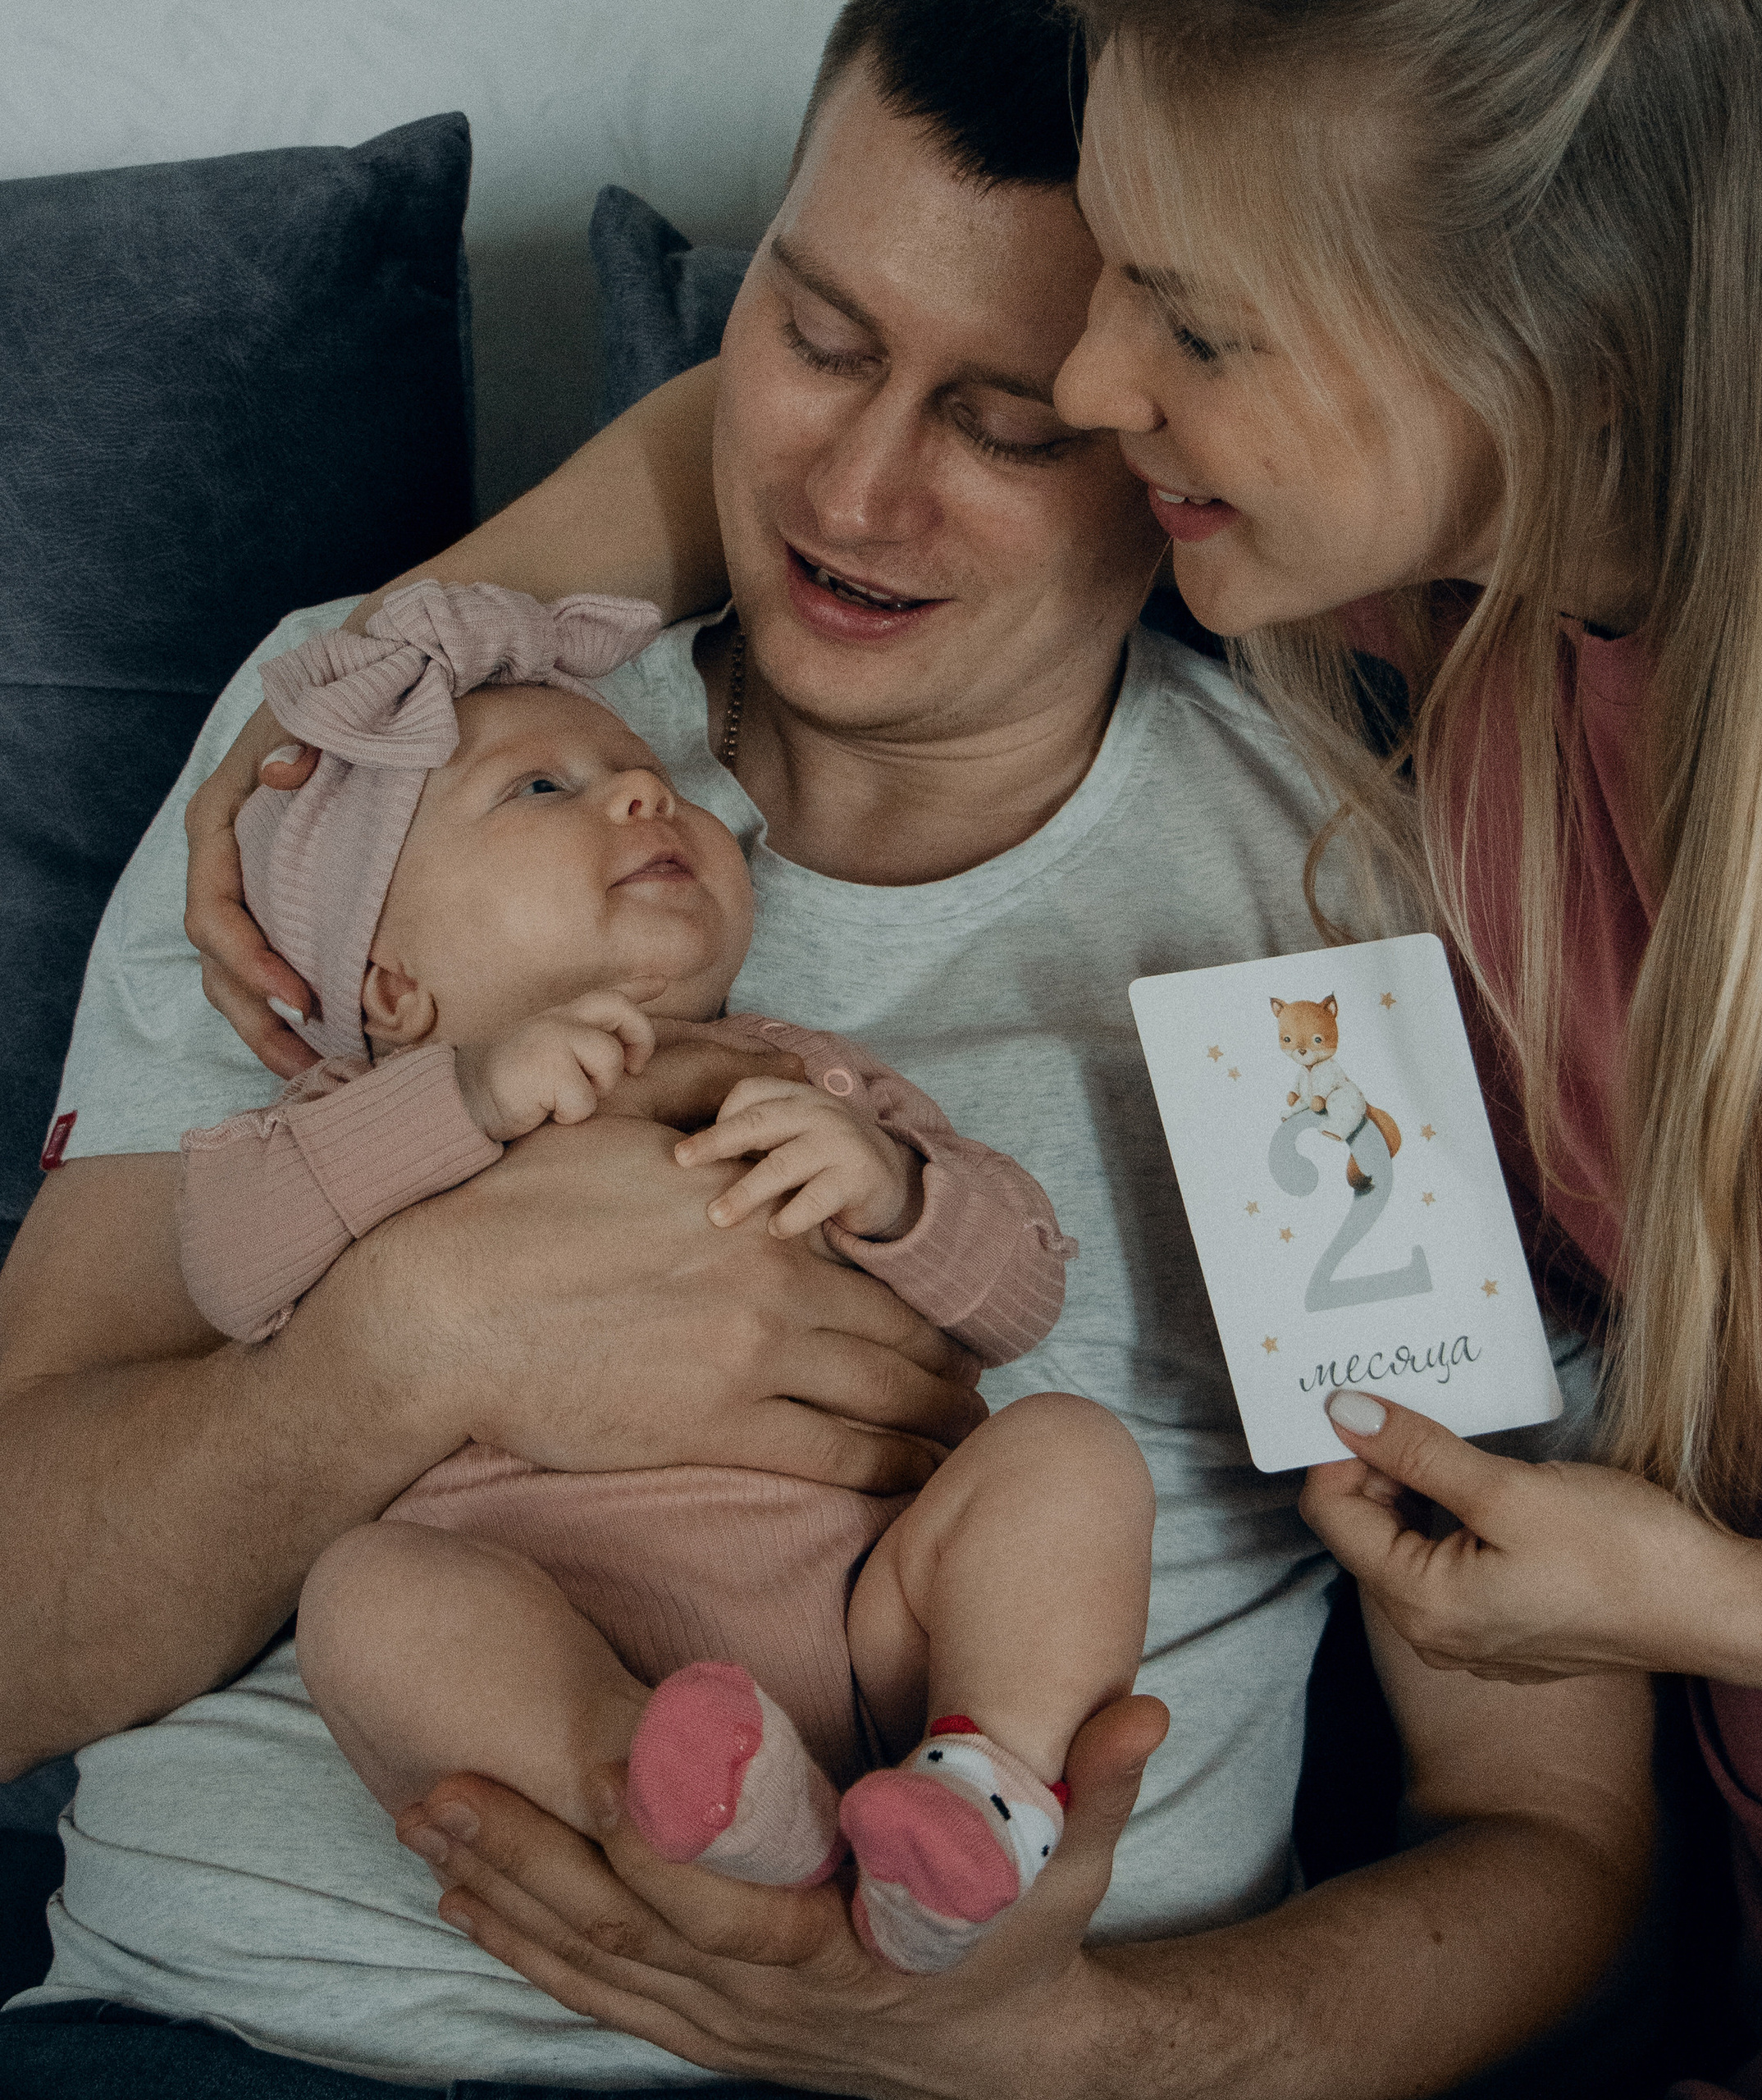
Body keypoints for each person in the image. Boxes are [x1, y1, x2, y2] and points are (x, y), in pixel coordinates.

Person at [0, 2, 1653, 2095]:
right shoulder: (363, 777)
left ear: (1181, 445)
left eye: (1011, 422)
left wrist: (1083, 2043)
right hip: (243, 2029)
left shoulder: (1329, 940)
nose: (858, 494)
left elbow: (1548, 1825)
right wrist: (396, 1353)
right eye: (818, 333)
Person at [1057, 3, 1762, 2097]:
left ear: (1565, 348)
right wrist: (368, 674)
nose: (1087, 383)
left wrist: (1750, 1610)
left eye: (1196, 325)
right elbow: (806, 393)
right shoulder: (1481, 569)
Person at [180, 581, 1147, 1978]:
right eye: (541, 790)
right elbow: (226, 1265)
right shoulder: (360, 1120)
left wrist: (895, 1189)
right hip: (558, 1614)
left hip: (886, 1617)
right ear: (391, 990)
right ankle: (679, 1793)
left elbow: (1019, 1300)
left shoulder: (802, 1075)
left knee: (1070, 1456)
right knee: (368, 1600)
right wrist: (463, 1099)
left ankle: (977, 1782)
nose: (642, 800)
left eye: (653, 783)